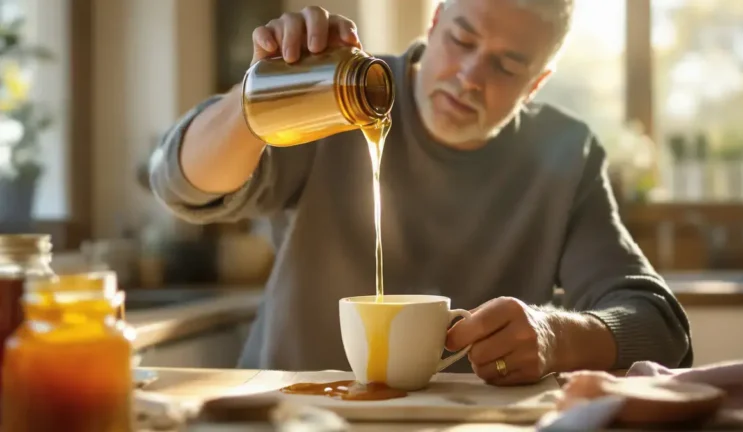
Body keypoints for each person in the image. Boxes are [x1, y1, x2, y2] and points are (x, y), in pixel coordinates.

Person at [149, 0, 692, 385]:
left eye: (507, 65)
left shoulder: (564, 153)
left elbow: (660, 326)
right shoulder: (340, 96)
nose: (469, 77)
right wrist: (260, 96)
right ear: (435, 24)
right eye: (461, 39)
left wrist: (557, 336)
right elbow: (180, 185)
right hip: (291, 414)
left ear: (536, 84)